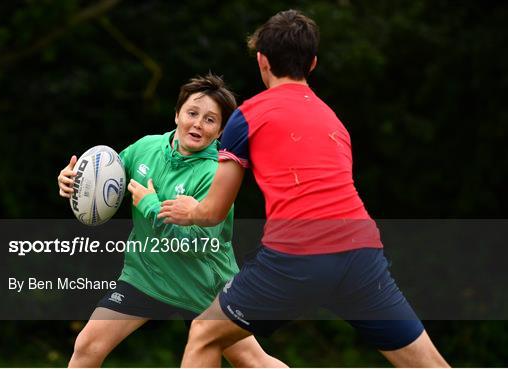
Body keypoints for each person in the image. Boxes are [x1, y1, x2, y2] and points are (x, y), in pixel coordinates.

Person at [158, 10, 450, 368]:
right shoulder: (334, 120)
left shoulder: (249, 115)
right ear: (312, 64)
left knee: (204, 332)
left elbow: (213, 211)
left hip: (298, 255)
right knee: (427, 363)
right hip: (361, 253)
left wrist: (189, 210)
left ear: (262, 61)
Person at [57, 74, 286, 368]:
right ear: (177, 114)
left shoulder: (217, 174)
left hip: (203, 286)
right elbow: (106, 180)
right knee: (87, 346)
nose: (198, 124)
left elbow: (199, 244)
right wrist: (74, 183)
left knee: (254, 362)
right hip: (146, 274)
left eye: (210, 120)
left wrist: (153, 208)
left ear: (220, 132)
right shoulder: (146, 148)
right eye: (192, 113)